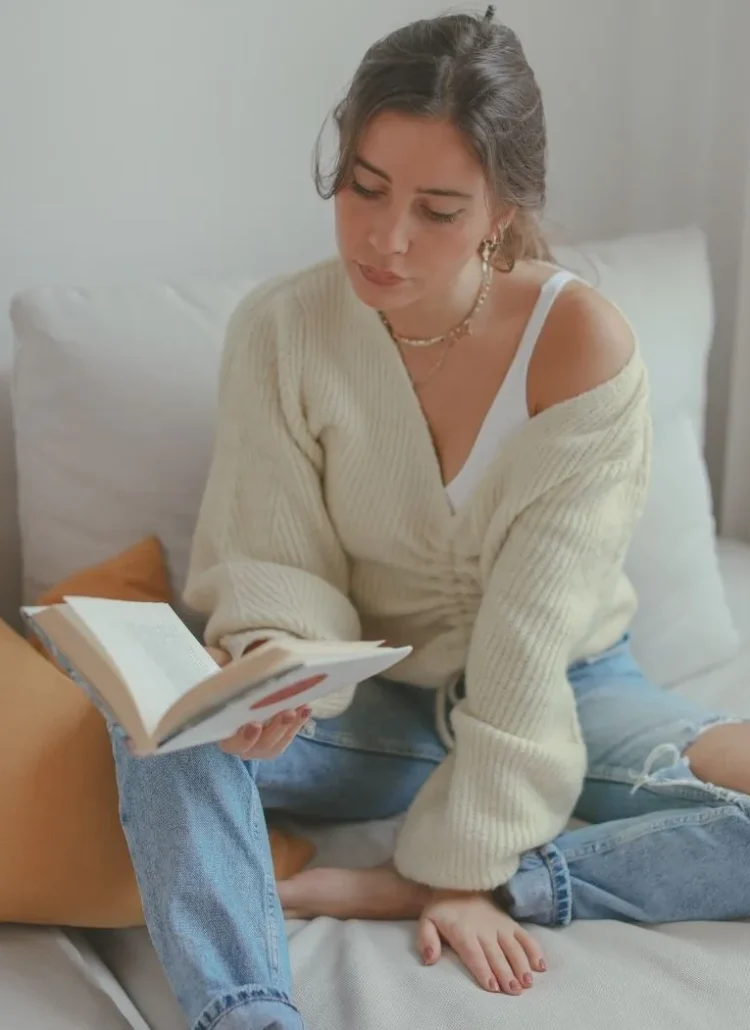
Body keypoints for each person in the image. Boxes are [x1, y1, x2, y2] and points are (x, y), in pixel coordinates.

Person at [108, 8, 750, 1030]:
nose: (385, 238)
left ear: (503, 209)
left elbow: (529, 645)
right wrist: (276, 666)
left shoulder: (580, 345)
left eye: (438, 209)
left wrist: (462, 870)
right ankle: (247, 1014)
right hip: (366, 692)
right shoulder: (284, 329)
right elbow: (272, 551)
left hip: (572, 688)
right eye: (365, 189)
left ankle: (529, 878)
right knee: (159, 722)